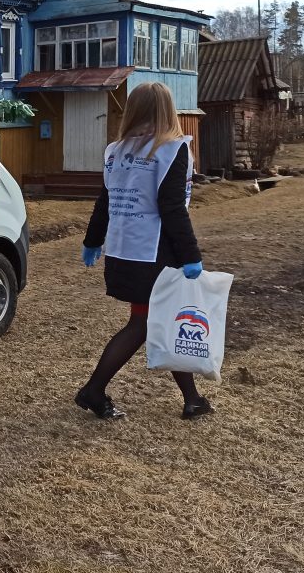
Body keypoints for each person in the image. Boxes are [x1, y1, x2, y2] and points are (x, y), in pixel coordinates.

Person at [77, 81, 213, 420]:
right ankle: (93, 390)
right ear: (167, 110)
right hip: (155, 255)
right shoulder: (172, 149)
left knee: (157, 320)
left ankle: (192, 399)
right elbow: (172, 207)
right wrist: (191, 256)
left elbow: (105, 202)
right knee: (144, 322)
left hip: (124, 253)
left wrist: (93, 241)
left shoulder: (117, 150)